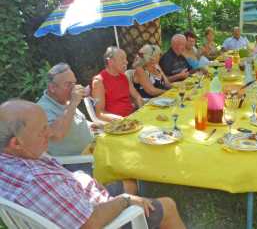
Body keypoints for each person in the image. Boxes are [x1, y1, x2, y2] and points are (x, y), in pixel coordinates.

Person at [0, 100, 186, 229]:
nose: (50, 133)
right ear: (16, 143)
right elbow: (90, 223)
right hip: (96, 219)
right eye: (42, 130)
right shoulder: (36, 181)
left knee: (129, 183)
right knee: (167, 205)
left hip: (82, 199)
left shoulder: (9, 160)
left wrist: (83, 181)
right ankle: (145, 218)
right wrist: (125, 200)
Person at [38, 63, 138, 193]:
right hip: (78, 164)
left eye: (74, 83)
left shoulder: (64, 101)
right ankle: (131, 195)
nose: (74, 88)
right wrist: (73, 103)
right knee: (128, 168)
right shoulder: (42, 109)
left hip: (93, 149)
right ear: (52, 87)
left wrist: (104, 126)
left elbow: (78, 124)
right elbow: (57, 134)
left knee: (131, 149)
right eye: (68, 84)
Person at [92, 47, 144, 122]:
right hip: (117, 124)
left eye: (126, 59)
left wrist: (141, 113)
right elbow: (100, 113)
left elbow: (137, 97)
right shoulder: (98, 81)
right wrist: (121, 120)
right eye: (122, 59)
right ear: (110, 62)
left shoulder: (124, 77)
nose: (126, 62)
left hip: (132, 117)